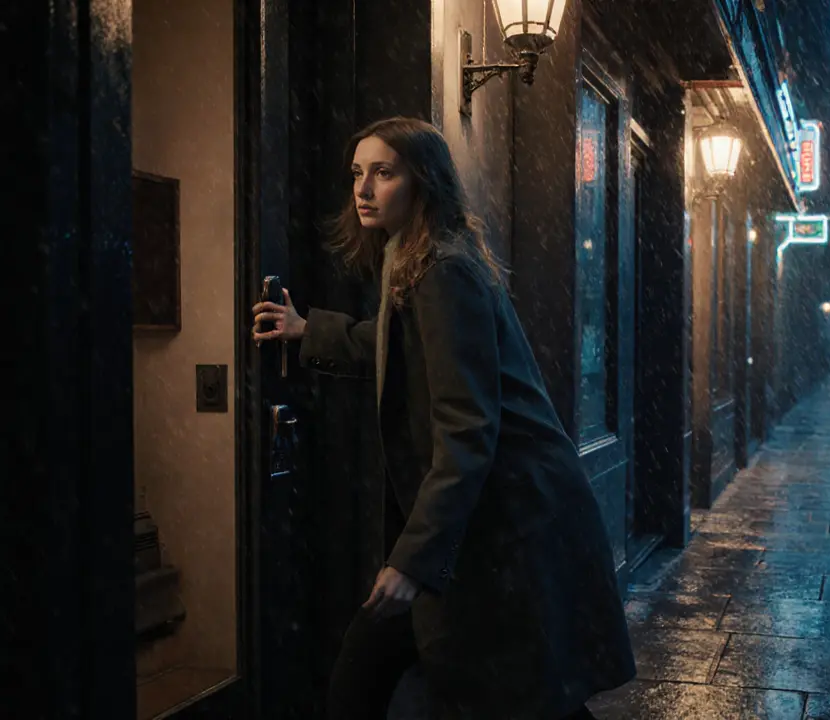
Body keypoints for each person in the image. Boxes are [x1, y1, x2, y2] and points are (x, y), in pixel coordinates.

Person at [252, 117, 634, 719]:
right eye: (357, 173)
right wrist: (309, 330)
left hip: (508, 522)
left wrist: (412, 558)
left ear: (422, 180)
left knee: (377, 675)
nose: (363, 189)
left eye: (383, 172)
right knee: (523, 693)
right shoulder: (421, 257)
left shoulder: (442, 271)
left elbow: (466, 428)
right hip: (494, 520)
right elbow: (400, 347)